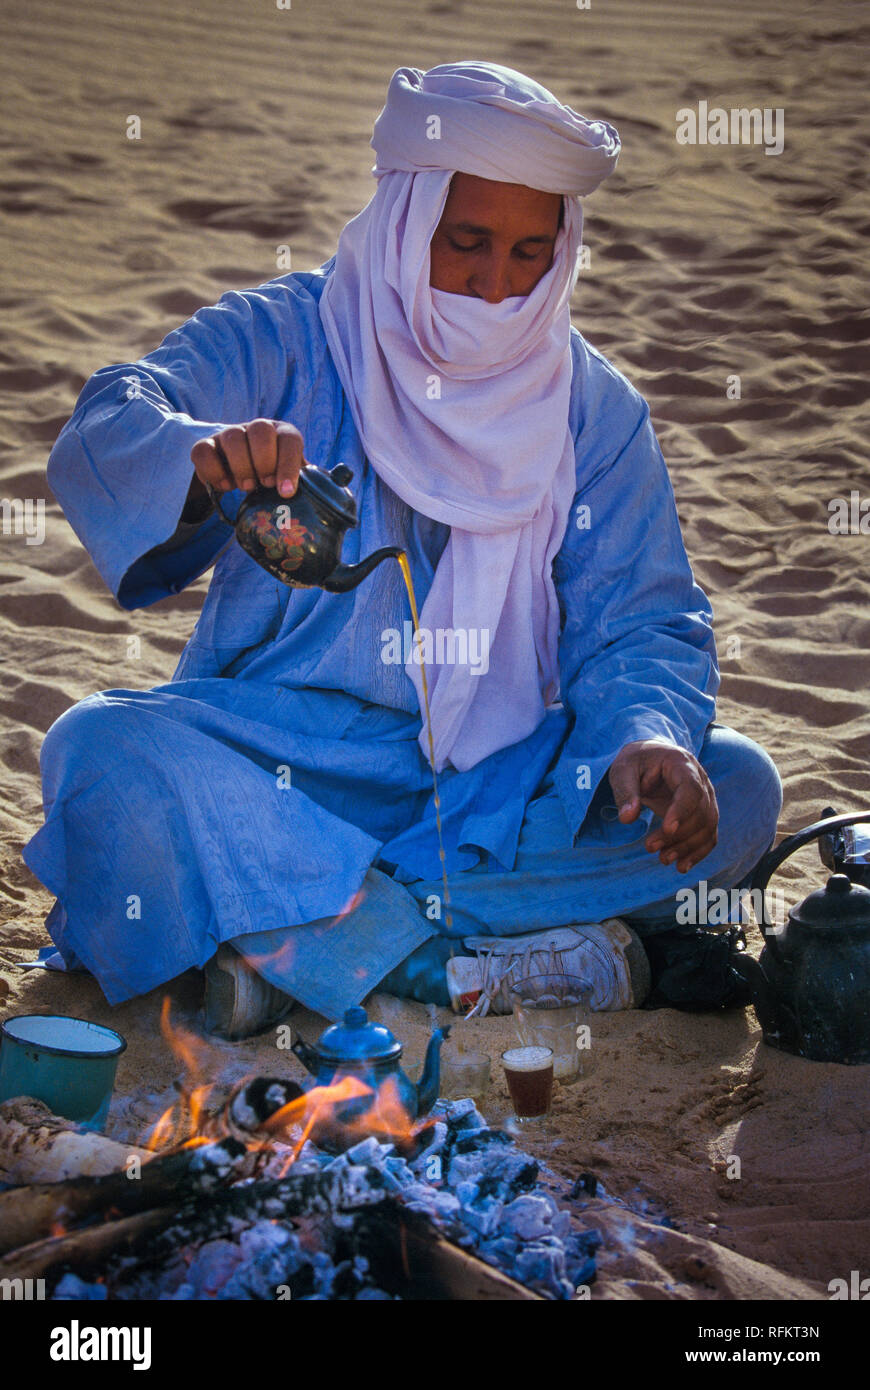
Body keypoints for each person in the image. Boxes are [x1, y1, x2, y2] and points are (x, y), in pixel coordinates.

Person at [22, 62, 782, 1038]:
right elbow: (109, 417)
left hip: (492, 789)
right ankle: (435, 960)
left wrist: (648, 735)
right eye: (465, 245)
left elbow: (641, 622)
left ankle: (288, 934)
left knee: (744, 784)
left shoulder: (591, 409)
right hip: (279, 762)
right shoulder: (293, 335)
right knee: (97, 749)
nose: (496, 285)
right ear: (409, 217)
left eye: (529, 254)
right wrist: (200, 456)